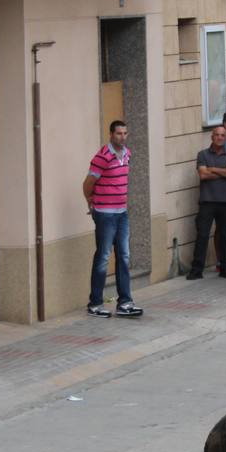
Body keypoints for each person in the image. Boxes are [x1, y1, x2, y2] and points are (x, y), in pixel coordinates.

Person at [84, 120, 143, 318]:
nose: (123, 137)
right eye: (119, 133)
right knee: (103, 257)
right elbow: (88, 183)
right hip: (105, 214)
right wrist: (90, 201)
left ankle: (125, 303)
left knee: (124, 256)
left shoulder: (127, 154)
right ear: (111, 134)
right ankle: (95, 304)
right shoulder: (102, 156)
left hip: (122, 213)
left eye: (125, 133)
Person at [189, 125, 226, 281]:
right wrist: (223, 172)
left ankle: (225, 268)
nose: (219, 137)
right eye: (216, 135)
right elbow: (203, 175)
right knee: (202, 236)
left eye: (222, 135)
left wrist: (212, 169)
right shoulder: (202, 154)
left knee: (225, 237)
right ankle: (196, 270)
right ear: (212, 137)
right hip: (207, 201)